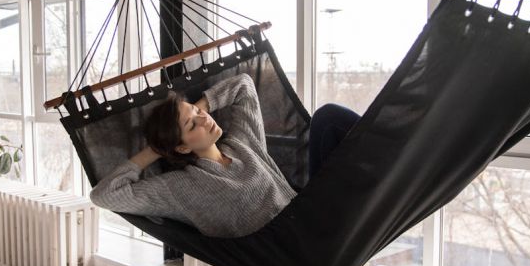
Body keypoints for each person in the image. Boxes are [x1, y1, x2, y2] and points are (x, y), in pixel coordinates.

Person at [89, 73, 360, 237]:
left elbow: (244, 86)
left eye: (198, 112)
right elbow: (104, 195)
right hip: (293, 244)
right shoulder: (181, 188)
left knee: (328, 118)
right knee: (332, 122)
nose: (204, 119)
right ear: (182, 148)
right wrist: (155, 150)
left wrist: (195, 110)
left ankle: (395, 168)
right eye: (192, 125)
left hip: (312, 212)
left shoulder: (242, 141)